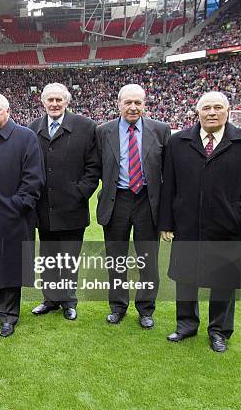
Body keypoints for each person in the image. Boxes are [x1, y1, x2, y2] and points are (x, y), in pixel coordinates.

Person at [159, 91, 241, 353]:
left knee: (223, 281)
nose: (212, 112)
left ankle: (219, 331)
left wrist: (240, 214)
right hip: (187, 223)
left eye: (218, 107)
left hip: (226, 226)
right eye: (206, 107)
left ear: (228, 111)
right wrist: (167, 222)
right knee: (186, 277)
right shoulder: (178, 142)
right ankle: (186, 324)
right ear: (197, 111)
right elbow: (168, 185)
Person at [96, 84, 171, 329]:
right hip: (117, 200)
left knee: (148, 261)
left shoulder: (161, 130)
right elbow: (97, 167)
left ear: (145, 104)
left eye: (138, 102)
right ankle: (118, 307)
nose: (133, 107)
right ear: (118, 104)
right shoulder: (103, 131)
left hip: (148, 201)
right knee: (116, 261)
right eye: (128, 102)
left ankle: (146, 309)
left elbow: (168, 173)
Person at [0, 93, 45, 337]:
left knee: (11, 266)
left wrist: (16, 206)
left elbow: (33, 180)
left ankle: (9, 315)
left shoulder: (25, 137)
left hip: (13, 217)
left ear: (8, 111)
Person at [27, 82, 99, 321]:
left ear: (67, 101)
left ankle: (69, 300)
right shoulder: (33, 127)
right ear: (43, 101)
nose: (55, 104)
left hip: (72, 208)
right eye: (50, 100)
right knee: (47, 258)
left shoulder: (86, 126)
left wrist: (79, 193)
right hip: (43, 208)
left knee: (68, 259)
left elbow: (93, 167)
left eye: (59, 100)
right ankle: (50, 299)